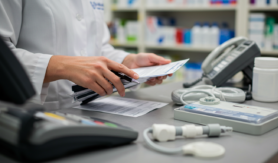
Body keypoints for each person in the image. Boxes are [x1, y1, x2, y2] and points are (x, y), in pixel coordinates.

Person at [0, 0, 171, 110]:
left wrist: (127, 62)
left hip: (88, 110)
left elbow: (98, 47)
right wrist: (61, 66)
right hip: (28, 111)